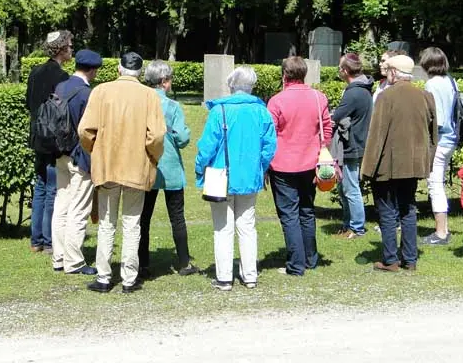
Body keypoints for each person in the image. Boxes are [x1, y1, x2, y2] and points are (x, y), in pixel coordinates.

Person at [78, 52, 166, 293]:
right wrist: (152, 156)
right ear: (140, 72)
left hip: (107, 166)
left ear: (119, 69)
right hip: (136, 167)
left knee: (107, 224)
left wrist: (95, 150)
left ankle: (104, 277)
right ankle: (129, 278)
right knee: (132, 224)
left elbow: (85, 130)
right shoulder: (149, 95)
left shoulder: (101, 91)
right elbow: (157, 135)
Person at [195, 66, 277, 291]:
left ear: (231, 85)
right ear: (252, 86)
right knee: (247, 226)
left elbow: (207, 146)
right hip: (250, 175)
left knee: (223, 228)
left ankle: (224, 277)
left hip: (221, 176)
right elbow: (269, 146)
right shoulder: (261, 111)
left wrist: (200, 167)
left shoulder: (219, 110)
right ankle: (250, 275)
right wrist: (261, 167)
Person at [361, 55, 437, 272]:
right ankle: (410, 259)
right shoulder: (425, 96)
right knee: (408, 208)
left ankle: (390, 260)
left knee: (386, 211)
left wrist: (367, 169)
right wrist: (427, 162)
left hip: (387, 164)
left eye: (388, 70)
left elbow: (376, 135)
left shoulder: (386, 97)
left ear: (394, 72)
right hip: (413, 164)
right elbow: (433, 135)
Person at [266, 57, 331, 275]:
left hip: (282, 165)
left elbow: (269, 134)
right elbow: (327, 129)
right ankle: (310, 258)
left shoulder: (276, 101)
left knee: (289, 215)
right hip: (311, 163)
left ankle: (296, 264)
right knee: (307, 210)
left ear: (284, 75)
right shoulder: (318, 97)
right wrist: (321, 148)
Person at [138, 60, 199, 279]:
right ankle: (184, 262)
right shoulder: (172, 106)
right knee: (177, 216)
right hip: (170, 166)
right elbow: (182, 139)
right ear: (164, 81)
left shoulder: (140, 102)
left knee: (143, 218)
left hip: (146, 166)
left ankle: (142, 264)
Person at [51, 49, 103, 275]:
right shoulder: (87, 94)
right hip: (80, 156)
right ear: (92, 70)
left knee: (61, 206)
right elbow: (90, 129)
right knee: (79, 209)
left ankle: (59, 257)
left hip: (59, 154)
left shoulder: (60, 87)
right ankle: (74, 262)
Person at [25, 30, 73, 254]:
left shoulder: (35, 72)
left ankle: (36, 240)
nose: (72, 49)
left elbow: (28, 103)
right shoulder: (61, 77)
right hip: (53, 139)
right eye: (70, 45)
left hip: (37, 136)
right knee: (53, 188)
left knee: (41, 186)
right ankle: (48, 240)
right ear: (61, 48)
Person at [331, 53, 374, 239]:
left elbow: (337, 116)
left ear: (345, 71)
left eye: (340, 68)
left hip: (352, 144)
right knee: (344, 187)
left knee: (350, 188)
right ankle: (348, 224)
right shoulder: (364, 89)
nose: (339, 71)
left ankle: (357, 228)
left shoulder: (354, 92)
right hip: (358, 143)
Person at [419, 46, 457, 245]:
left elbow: (438, 119)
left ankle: (441, 232)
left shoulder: (432, 84)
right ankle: (444, 228)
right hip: (452, 138)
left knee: (435, 185)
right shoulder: (451, 81)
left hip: (440, 140)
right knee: (438, 183)